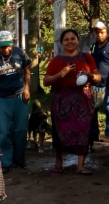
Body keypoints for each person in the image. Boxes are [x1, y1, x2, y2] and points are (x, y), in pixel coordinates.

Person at [44, 29, 102, 175]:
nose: (70, 41)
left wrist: (89, 75)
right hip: (62, 99)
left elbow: (98, 77)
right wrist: (61, 74)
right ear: (62, 43)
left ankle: (80, 166)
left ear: (78, 40)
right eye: (66, 39)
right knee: (60, 130)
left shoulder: (87, 58)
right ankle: (58, 164)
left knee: (83, 129)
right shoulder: (56, 61)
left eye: (72, 38)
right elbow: (46, 81)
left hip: (83, 98)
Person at [0, 30, 32, 173]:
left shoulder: (20, 53)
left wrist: (27, 88)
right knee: (3, 132)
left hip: (19, 96)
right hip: (0, 98)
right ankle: (6, 162)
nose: (5, 49)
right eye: (2, 46)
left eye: (7, 46)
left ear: (12, 44)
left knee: (21, 129)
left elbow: (27, 71)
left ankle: (19, 160)